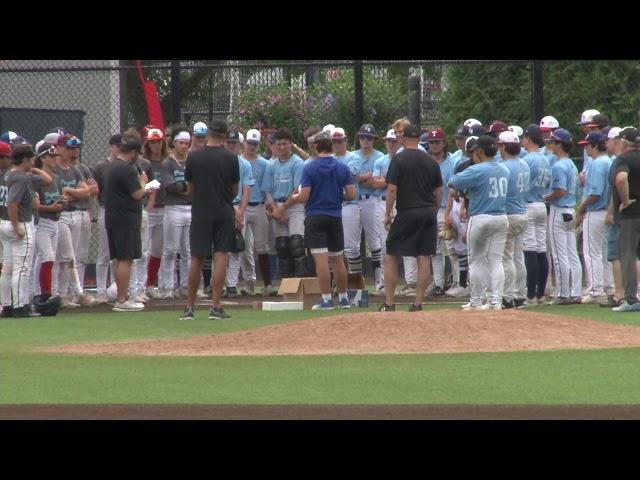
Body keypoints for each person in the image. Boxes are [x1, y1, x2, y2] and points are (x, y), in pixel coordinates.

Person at [379, 124, 443, 312]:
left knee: (391, 254)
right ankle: (418, 303)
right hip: (427, 211)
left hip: (407, 211)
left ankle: (390, 303)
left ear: (403, 138)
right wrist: (434, 209)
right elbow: (439, 191)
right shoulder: (431, 161)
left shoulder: (398, 159)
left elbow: (391, 188)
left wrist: (388, 213)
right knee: (423, 255)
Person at [180, 120, 239, 320]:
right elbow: (234, 189)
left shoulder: (193, 157)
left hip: (200, 212)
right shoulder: (231, 158)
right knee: (221, 256)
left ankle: (189, 307)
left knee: (197, 258)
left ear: (208, 134)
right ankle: (216, 305)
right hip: (223, 211)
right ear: (223, 135)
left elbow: (189, 188)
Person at [291, 130, 356, 310]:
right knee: (337, 259)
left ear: (316, 146)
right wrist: (336, 196)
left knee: (320, 259)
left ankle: (326, 299)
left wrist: (295, 197)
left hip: (315, 215)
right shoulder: (341, 167)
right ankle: (343, 299)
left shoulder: (309, 167)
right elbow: (351, 193)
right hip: (335, 215)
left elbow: (304, 196)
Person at [449, 135, 509, 311]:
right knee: (496, 260)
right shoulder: (504, 169)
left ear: (480, 151)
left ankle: (476, 301)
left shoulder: (477, 169)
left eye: (475, 151)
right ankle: (496, 301)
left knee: (476, 260)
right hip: (500, 216)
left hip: (480, 216)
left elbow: (453, 181)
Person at [103, 132, 150, 312]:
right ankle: (122, 299)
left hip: (114, 218)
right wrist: (144, 184)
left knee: (120, 258)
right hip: (125, 219)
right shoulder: (126, 168)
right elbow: (137, 194)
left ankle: (122, 296)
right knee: (125, 259)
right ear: (133, 152)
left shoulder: (113, 166)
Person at [53, 134, 95, 308]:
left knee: (72, 256)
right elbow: (58, 193)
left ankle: (65, 295)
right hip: (61, 216)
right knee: (64, 256)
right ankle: (67, 293)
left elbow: (86, 192)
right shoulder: (53, 169)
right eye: (69, 148)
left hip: (76, 214)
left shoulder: (75, 169)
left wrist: (69, 191)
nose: (73, 151)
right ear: (59, 148)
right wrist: (72, 192)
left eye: (75, 148)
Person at [543, 128, 582, 304]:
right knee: (572, 253)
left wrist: (544, 198)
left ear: (560, 144)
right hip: (571, 210)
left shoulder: (559, 165)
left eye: (553, 142)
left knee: (559, 255)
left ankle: (563, 294)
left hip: (559, 211)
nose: (550, 144)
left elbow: (560, 191)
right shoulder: (571, 164)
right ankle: (576, 291)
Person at [0, 145, 40, 317]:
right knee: (21, 268)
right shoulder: (20, 177)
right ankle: (19, 306)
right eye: (31, 159)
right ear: (24, 159)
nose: (32, 162)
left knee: (7, 269)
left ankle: (7, 305)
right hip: (18, 224)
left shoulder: (6, 174)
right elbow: (13, 203)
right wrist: (17, 226)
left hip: (3, 223)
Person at [261, 128, 306, 278]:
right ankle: (287, 282)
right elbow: (267, 190)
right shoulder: (271, 165)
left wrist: (283, 208)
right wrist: (275, 210)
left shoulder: (297, 163)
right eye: (278, 144)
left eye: (284, 144)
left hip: (294, 205)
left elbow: (297, 189)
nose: (281, 147)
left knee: (296, 244)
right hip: (277, 205)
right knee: (282, 246)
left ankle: (299, 280)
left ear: (290, 145)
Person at [235, 129, 275, 296]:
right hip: (240, 205)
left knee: (262, 246)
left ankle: (267, 284)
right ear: (244, 143)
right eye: (249, 143)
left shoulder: (265, 164)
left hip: (258, 205)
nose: (251, 146)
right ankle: (249, 282)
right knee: (243, 246)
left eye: (255, 144)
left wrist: (268, 206)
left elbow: (267, 188)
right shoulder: (236, 161)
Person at [575, 132, 614, 303]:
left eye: (588, 145)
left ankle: (595, 290)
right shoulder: (610, 161)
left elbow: (595, 193)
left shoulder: (598, 163)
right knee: (605, 253)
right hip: (608, 211)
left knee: (592, 253)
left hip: (596, 211)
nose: (586, 148)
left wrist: (580, 208)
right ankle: (609, 287)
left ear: (595, 145)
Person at [347, 124, 384, 290]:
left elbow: (377, 183)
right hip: (354, 201)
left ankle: (379, 282)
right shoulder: (352, 156)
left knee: (375, 242)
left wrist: (360, 178)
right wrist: (366, 177)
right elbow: (350, 178)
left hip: (372, 200)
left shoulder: (380, 157)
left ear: (374, 139)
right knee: (352, 246)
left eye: (369, 137)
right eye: (362, 137)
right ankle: (356, 283)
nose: (365, 140)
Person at [497, 130, 530, 309]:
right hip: (523, 211)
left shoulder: (505, 167)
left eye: (499, 145)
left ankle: (507, 296)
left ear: (503, 146)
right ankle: (520, 295)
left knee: (506, 257)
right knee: (518, 256)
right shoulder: (524, 164)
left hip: (510, 214)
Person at [158, 129, 192, 299]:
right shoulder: (168, 163)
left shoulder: (191, 161)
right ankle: (167, 286)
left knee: (188, 250)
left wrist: (184, 188)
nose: (184, 146)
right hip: (173, 208)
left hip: (190, 208)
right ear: (174, 143)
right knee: (170, 249)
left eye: (187, 143)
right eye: (181, 143)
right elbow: (170, 187)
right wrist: (187, 188)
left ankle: (185, 286)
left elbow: (197, 185)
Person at [426, 127, 458, 297]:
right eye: (432, 142)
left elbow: (454, 188)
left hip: (448, 208)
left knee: (452, 248)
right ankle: (438, 284)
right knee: (435, 250)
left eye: (438, 142)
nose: (435, 145)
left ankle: (457, 282)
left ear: (444, 143)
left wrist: (451, 212)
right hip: (431, 209)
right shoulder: (426, 161)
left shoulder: (452, 162)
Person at [521, 124, 551, 305]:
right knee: (541, 250)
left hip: (529, 205)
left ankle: (531, 295)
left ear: (529, 138)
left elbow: (522, 185)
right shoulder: (545, 159)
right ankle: (540, 294)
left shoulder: (529, 160)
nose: (522, 141)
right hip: (541, 204)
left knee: (530, 251)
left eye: (524, 138)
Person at [33, 143, 66, 307]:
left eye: (55, 156)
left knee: (45, 258)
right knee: (47, 257)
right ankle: (44, 294)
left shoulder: (57, 178)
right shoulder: (37, 178)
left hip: (55, 221)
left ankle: (40, 293)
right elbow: (35, 205)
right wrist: (51, 207)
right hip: (42, 222)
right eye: (51, 156)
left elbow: (58, 197)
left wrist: (62, 202)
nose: (54, 159)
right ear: (42, 158)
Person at [611, 127, 640, 312]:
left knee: (628, 254)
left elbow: (621, 179)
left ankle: (630, 299)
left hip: (631, 214)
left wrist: (625, 200)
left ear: (623, 142)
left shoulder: (624, 159)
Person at [224, 129, 255, 298]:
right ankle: (220, 283)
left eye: (234, 143)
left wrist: (241, 213)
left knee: (236, 248)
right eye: (229, 142)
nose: (231, 145)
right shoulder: (219, 162)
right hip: (222, 207)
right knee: (219, 248)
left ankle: (231, 285)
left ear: (239, 144)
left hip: (238, 207)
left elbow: (247, 190)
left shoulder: (244, 164)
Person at [371, 129, 401, 295]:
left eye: (394, 141)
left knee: (406, 244)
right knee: (384, 243)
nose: (390, 143)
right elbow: (375, 184)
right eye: (388, 141)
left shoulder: (403, 158)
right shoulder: (381, 160)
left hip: (401, 201)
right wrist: (391, 180)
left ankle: (411, 282)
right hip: (382, 202)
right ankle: (384, 282)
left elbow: (388, 182)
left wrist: (386, 180)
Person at [92, 133, 121, 303]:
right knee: (105, 253)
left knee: (118, 253)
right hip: (106, 208)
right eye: (116, 145)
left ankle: (117, 288)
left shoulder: (126, 164)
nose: (118, 148)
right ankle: (101, 291)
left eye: (121, 145)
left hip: (121, 211)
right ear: (110, 146)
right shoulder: (101, 166)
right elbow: (96, 190)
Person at [601, 127, 626, 307]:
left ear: (617, 141)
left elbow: (615, 190)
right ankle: (630, 292)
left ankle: (619, 293)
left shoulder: (618, 162)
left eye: (608, 140)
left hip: (619, 212)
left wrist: (610, 211)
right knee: (632, 252)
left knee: (615, 253)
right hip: (632, 212)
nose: (606, 144)